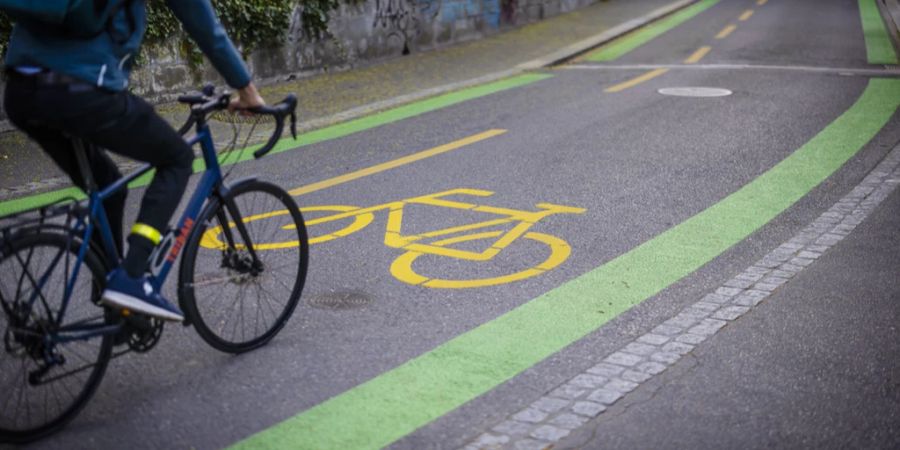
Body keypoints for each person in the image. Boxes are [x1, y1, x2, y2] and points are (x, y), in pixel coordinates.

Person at [3, 0, 265, 322]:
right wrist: (247, 90)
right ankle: (132, 277)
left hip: (21, 92)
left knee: (109, 185)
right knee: (177, 158)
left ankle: (112, 300)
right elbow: (204, 26)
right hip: (82, 91)